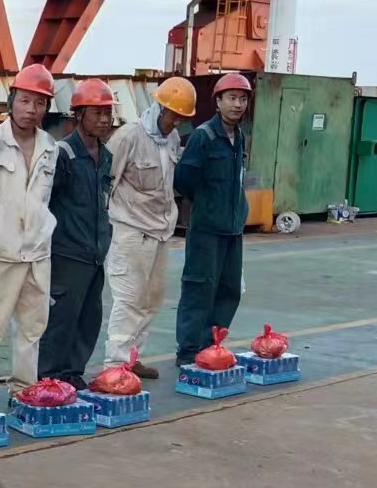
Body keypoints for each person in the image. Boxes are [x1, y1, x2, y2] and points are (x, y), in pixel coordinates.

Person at [0, 63, 59, 393]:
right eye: (24, 100)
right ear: (12, 101)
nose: (31, 109)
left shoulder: (50, 147)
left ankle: (24, 390)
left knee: (33, 328)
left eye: (39, 103)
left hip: (37, 255)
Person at [103, 76, 194, 378]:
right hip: (130, 231)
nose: (176, 123)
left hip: (160, 232)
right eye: (173, 116)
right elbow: (106, 182)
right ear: (160, 108)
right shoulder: (128, 137)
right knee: (129, 299)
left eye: (181, 118)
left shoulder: (172, 139)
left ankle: (132, 357)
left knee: (150, 299)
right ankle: (115, 365)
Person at [38, 79, 117, 386]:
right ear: (79, 114)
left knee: (88, 319)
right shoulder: (63, 154)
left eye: (107, 113)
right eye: (97, 113)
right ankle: (49, 378)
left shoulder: (105, 155)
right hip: (67, 254)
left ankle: (72, 374)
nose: (104, 119)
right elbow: (44, 203)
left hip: (95, 254)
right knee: (61, 320)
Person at [174, 71, 251, 365]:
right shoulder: (204, 136)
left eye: (242, 99)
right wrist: (208, 204)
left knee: (229, 290)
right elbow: (184, 178)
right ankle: (188, 350)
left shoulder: (239, 137)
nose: (237, 104)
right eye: (231, 98)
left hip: (233, 229)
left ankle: (211, 345)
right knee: (199, 288)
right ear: (218, 101)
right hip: (206, 230)